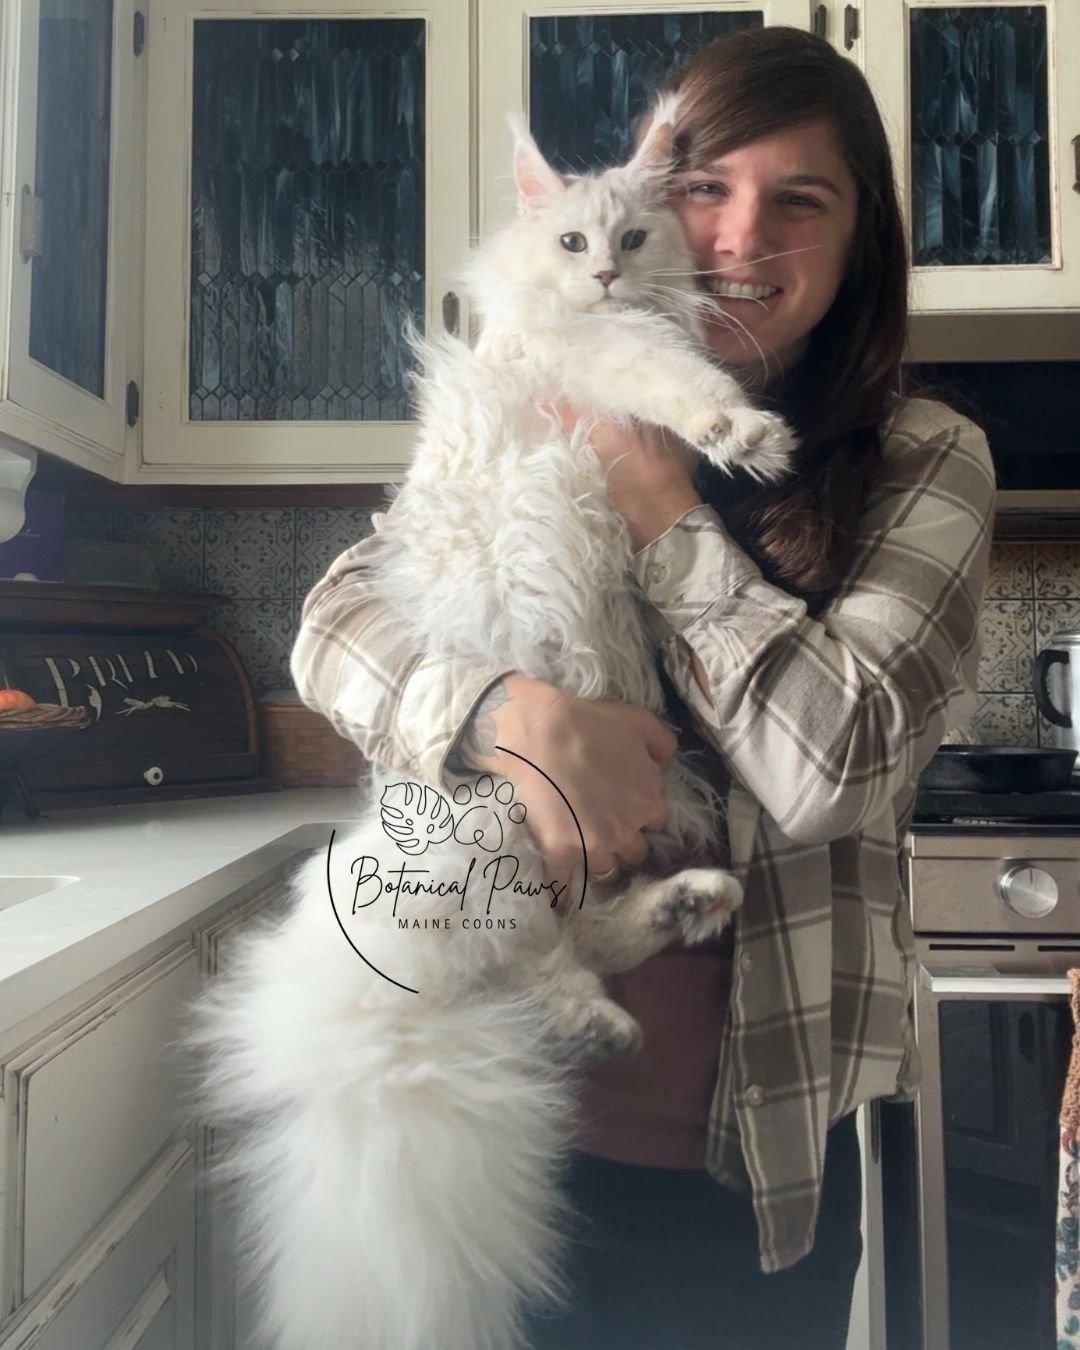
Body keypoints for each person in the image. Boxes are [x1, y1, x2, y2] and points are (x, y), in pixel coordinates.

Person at [291, 25, 994, 1350]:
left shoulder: (925, 457)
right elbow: (334, 625)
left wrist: (661, 494)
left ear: (859, 241)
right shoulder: (527, 381)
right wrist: (517, 720)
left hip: (740, 1159)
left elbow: (825, 767)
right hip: (495, 1098)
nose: (741, 235)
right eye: (707, 188)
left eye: (802, 200)